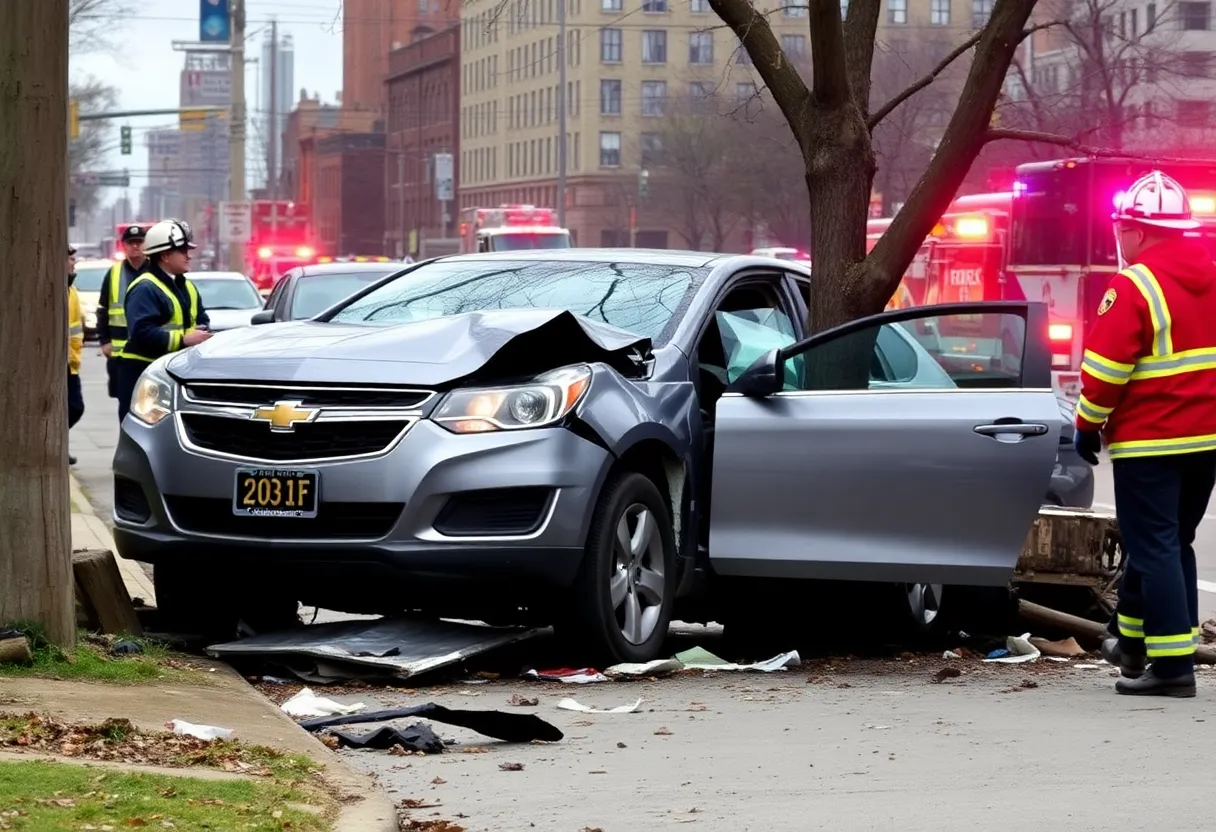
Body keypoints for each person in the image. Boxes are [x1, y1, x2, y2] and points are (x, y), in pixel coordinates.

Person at [1074, 170, 1216, 698]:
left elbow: (1106, 371)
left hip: (1150, 441)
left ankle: (1173, 665)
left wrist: (1087, 424)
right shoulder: (1212, 276)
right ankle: (1129, 644)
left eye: (1120, 226)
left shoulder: (1134, 284)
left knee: (1153, 546)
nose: (1117, 235)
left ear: (1137, 229)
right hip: (1205, 441)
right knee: (1169, 542)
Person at [113, 219, 212, 420]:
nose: (188, 255)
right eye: (182, 250)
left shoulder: (187, 286)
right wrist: (183, 339)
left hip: (173, 372)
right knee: (144, 432)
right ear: (165, 255)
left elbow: (202, 320)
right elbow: (142, 333)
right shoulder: (145, 288)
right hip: (143, 373)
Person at [97, 224, 150, 414]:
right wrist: (104, 341)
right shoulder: (114, 273)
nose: (135, 246)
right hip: (121, 355)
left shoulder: (156, 270)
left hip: (150, 352)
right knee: (125, 405)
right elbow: (103, 309)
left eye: (139, 242)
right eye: (130, 243)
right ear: (123, 245)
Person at [67, 245, 85, 465]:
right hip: (60, 364)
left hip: (71, 362)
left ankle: (59, 444)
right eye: (70, 259)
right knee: (71, 407)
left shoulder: (71, 289)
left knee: (75, 407)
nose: (73, 263)